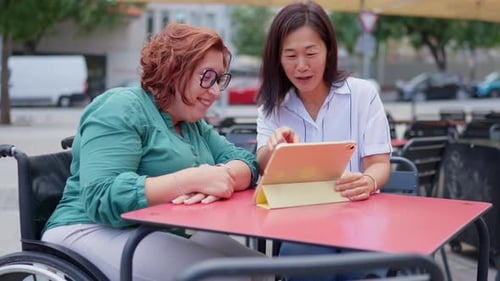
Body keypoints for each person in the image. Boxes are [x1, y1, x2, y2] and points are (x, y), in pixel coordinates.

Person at [42, 22, 268, 281]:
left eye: (219, 80)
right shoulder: (120, 107)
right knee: (222, 277)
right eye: (207, 77)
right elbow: (102, 195)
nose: (216, 91)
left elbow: (246, 162)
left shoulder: (191, 122)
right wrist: (190, 180)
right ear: (174, 70)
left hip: (153, 229)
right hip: (87, 228)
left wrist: (221, 175)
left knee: (264, 269)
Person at [255, 1, 393, 280]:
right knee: (305, 262)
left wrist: (368, 181)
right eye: (290, 55)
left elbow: (379, 163)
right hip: (301, 225)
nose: (302, 66)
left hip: (359, 220)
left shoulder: (363, 95)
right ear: (277, 60)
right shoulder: (272, 107)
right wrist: (273, 150)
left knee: (363, 265)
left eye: (311, 53)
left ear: (329, 51)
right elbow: (262, 164)